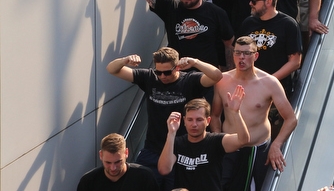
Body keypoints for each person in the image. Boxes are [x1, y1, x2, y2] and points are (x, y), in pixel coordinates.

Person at [106, 48, 221, 187]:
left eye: (167, 72)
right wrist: (125, 60)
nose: (162, 76)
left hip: (180, 153)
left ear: (177, 67)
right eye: (158, 72)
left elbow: (216, 76)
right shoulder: (149, 77)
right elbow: (112, 69)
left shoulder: (190, 80)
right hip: (152, 149)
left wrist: (195, 62)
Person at [211, 36, 298, 191]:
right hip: (229, 147)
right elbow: (215, 116)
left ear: (255, 56)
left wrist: (276, 145)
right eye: (237, 53)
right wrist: (217, 140)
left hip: (256, 148)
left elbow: (291, 119)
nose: (241, 58)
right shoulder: (222, 81)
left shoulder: (269, 83)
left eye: (246, 53)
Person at [158, 89, 250, 191]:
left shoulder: (216, 140)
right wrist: (171, 133)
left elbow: (243, 140)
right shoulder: (177, 142)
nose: (194, 124)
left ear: (208, 121)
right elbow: (164, 170)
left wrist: (236, 113)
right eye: (190, 120)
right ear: (184, 121)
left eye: (199, 120)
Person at [239, 0, 303, 99]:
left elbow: (295, 62)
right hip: (249, 87)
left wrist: (268, 81)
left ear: (268, 2)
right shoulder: (248, 23)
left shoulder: (288, 24)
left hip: (277, 89)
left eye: (254, 1)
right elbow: (238, 52)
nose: (250, 4)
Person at [77, 133, 159, 191]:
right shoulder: (88, 182)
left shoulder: (144, 177)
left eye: (118, 162)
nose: (113, 168)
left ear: (126, 153)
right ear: (101, 155)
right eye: (108, 163)